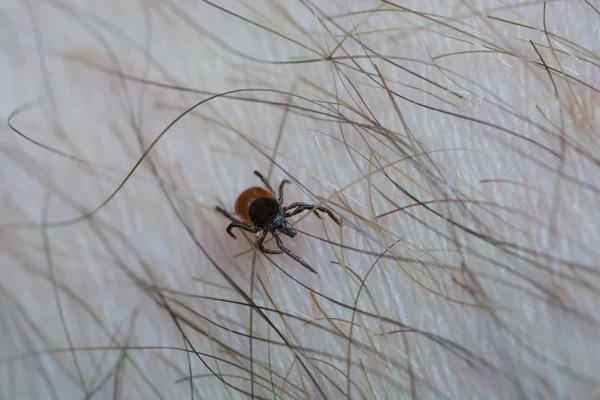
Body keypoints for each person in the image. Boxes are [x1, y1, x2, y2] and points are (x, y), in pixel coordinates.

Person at [2, 1, 598, 398]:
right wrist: (258, 224)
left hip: (247, 200)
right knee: (259, 220)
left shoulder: (267, 213)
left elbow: (265, 213)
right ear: (264, 214)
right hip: (245, 200)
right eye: (276, 222)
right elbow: (260, 217)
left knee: (274, 214)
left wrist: (264, 221)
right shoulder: (262, 214)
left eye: (279, 218)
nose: (282, 223)